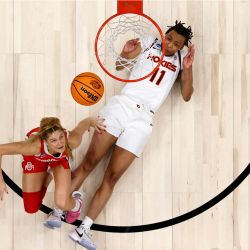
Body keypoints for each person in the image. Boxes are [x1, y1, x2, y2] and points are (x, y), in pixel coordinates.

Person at [69, 21, 195, 249]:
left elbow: (186, 95)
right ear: (164, 34)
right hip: (122, 106)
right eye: (170, 39)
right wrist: (125, 52)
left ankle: (83, 229)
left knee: (112, 177)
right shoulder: (148, 43)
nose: (171, 45)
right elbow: (119, 66)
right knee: (89, 162)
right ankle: (59, 211)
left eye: (177, 44)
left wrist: (188, 69)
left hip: (144, 119)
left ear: (182, 47)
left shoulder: (180, 61)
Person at [0, 116, 105, 229]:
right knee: (31, 207)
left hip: (58, 160)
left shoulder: (71, 141)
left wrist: (91, 121)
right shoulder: (31, 147)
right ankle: (50, 174)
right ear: (45, 141)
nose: (60, 143)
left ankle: (77, 204)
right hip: (35, 159)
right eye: (53, 140)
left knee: (62, 204)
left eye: (61, 137)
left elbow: (81, 126)